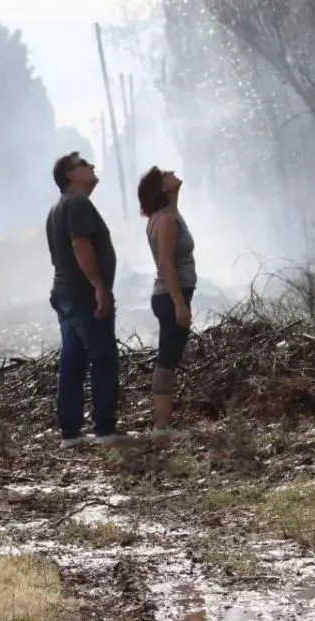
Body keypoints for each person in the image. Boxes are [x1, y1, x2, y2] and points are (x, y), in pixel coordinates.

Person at [46, 152, 126, 448]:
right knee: (103, 359)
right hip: (83, 295)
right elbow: (81, 246)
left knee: (73, 362)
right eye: (84, 165)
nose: (91, 166)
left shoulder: (58, 208)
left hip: (65, 294)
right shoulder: (78, 204)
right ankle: (105, 429)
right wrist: (99, 287)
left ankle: (71, 433)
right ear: (71, 176)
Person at [138, 166, 197, 435]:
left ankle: (163, 425)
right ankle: (161, 427)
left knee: (169, 357)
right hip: (170, 295)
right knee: (167, 359)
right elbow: (166, 264)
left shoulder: (170, 215)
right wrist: (179, 303)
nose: (172, 172)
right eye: (165, 174)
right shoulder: (164, 220)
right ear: (162, 188)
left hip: (173, 294)